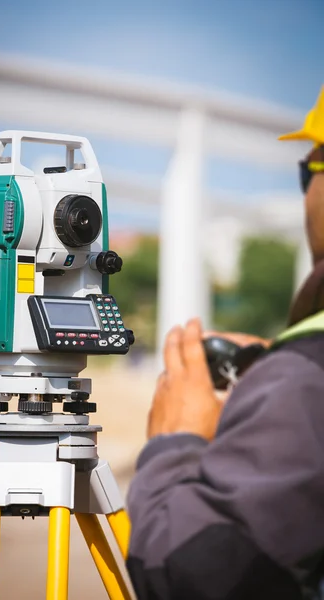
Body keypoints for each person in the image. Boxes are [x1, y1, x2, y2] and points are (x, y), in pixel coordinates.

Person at [126, 86, 324, 600]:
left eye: (310, 171)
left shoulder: (304, 383)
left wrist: (175, 446)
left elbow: (195, 577)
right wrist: (277, 372)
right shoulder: (300, 377)